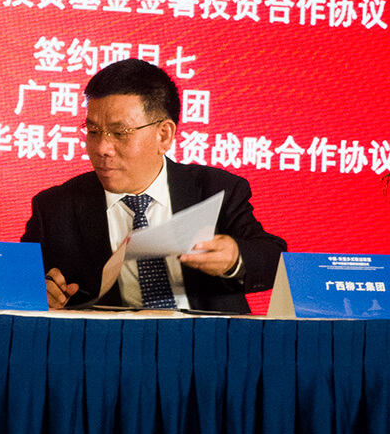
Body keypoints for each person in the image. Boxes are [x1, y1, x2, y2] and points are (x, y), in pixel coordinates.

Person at [22, 59, 285, 313]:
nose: (102, 148)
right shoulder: (55, 208)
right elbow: (21, 284)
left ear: (164, 135)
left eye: (120, 133)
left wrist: (235, 258)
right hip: (111, 339)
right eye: (93, 131)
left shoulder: (216, 189)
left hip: (205, 337)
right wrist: (38, 291)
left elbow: (274, 259)